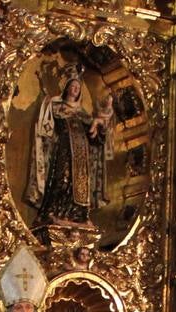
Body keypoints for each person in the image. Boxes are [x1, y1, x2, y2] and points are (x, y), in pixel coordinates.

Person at [25, 73, 113, 226]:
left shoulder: (83, 114)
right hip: (64, 150)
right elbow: (47, 128)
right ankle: (53, 211)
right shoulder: (57, 106)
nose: (75, 89)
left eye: (78, 87)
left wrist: (100, 125)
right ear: (66, 88)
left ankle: (79, 215)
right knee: (63, 179)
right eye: (72, 86)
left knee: (82, 183)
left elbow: (96, 139)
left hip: (83, 154)